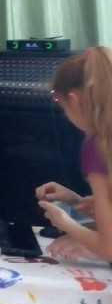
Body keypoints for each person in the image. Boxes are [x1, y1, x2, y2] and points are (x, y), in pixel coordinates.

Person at [35, 46, 112, 262]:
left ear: (75, 100)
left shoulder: (98, 146)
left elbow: (108, 247)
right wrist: (75, 201)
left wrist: (65, 223)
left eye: (62, 106)